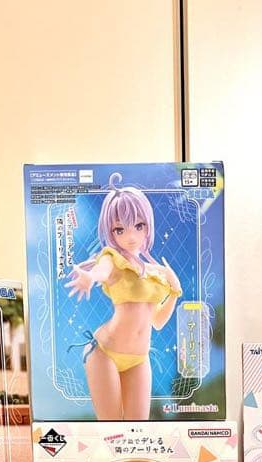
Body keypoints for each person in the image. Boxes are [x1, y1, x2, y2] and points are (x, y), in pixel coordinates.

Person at [67, 173, 182, 420]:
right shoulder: (113, 258)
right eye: (120, 229)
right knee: (110, 428)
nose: (130, 236)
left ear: (148, 226)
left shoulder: (153, 274)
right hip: (104, 352)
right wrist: (90, 277)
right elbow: (102, 270)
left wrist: (174, 293)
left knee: (138, 429)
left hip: (139, 358)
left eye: (139, 226)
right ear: (111, 232)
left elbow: (157, 321)